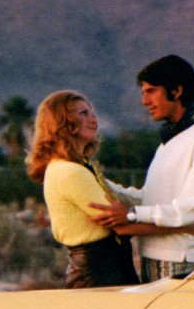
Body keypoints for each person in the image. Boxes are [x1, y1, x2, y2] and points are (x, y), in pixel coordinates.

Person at [90, 55, 194, 281]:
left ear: (177, 91)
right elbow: (151, 199)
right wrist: (97, 183)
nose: (144, 101)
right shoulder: (169, 140)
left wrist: (132, 214)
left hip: (179, 260)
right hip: (151, 257)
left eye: (151, 91)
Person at [25, 90, 139, 289]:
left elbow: (123, 198)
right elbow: (119, 223)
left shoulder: (78, 167)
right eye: (83, 114)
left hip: (106, 270)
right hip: (97, 275)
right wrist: (179, 227)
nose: (93, 120)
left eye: (92, 113)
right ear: (61, 122)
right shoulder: (69, 171)